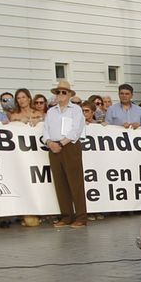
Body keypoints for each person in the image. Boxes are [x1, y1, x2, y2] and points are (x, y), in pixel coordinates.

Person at [43, 80, 88, 227]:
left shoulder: (75, 110)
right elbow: (45, 130)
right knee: (60, 183)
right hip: (53, 147)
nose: (61, 94)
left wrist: (61, 143)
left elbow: (76, 129)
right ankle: (66, 215)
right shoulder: (51, 111)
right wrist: (50, 142)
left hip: (70, 146)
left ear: (69, 94)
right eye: (58, 92)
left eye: (64, 92)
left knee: (75, 182)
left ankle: (81, 216)